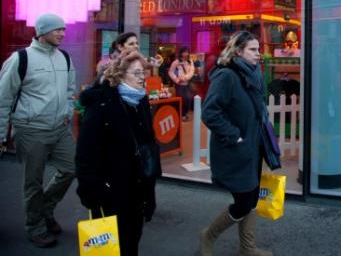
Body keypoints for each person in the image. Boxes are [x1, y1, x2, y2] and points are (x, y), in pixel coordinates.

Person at [0, 13, 76, 248]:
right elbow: (3, 99)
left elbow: (70, 89)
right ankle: (35, 226)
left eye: (63, 29)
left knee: (71, 168)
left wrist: (68, 111)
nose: (62, 33)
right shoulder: (20, 59)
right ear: (42, 32)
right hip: (31, 129)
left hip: (60, 128)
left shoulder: (64, 57)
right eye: (57, 30)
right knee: (33, 183)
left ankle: (44, 208)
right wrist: (1, 134)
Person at [75, 50, 160, 256]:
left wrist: (150, 190)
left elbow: (148, 145)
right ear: (120, 75)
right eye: (137, 73)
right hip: (111, 189)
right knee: (112, 246)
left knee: (133, 239)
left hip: (138, 186)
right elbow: (86, 154)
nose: (143, 78)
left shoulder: (140, 101)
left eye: (144, 73)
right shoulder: (102, 105)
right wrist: (93, 193)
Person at [198, 31, 272, 256]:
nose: (257, 54)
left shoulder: (253, 74)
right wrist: (235, 135)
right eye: (252, 49)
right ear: (238, 51)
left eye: (258, 49)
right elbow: (210, 112)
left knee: (252, 197)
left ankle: (247, 248)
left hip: (253, 147)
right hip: (236, 149)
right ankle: (209, 234)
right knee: (244, 201)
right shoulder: (227, 75)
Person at [168, 47, 195, 119]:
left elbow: (192, 71)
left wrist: (185, 78)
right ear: (181, 53)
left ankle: (184, 113)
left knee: (188, 99)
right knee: (181, 99)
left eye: (187, 52)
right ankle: (181, 115)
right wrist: (176, 79)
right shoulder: (176, 62)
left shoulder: (190, 61)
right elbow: (170, 72)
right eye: (184, 52)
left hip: (187, 84)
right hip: (179, 85)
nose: (186, 54)